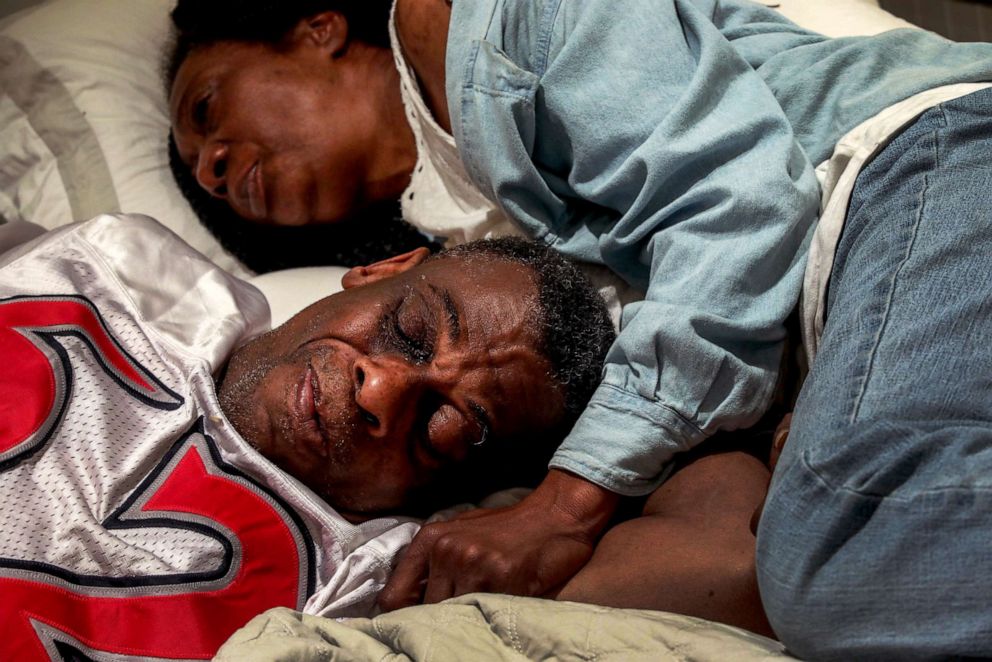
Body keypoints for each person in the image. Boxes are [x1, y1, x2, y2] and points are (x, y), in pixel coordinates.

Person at [166, 0, 992, 656]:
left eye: (207, 106)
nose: (208, 163)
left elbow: (740, 204)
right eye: (199, 166)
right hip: (862, 298)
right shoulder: (457, 233)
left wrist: (567, 504)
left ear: (317, 27)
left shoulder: (488, 19)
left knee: (845, 545)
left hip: (911, 161)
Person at [0, 213, 615, 661]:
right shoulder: (121, 270)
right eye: (409, 328)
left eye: (442, 426)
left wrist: (572, 505)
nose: (379, 389)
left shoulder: (368, 589)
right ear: (379, 269)